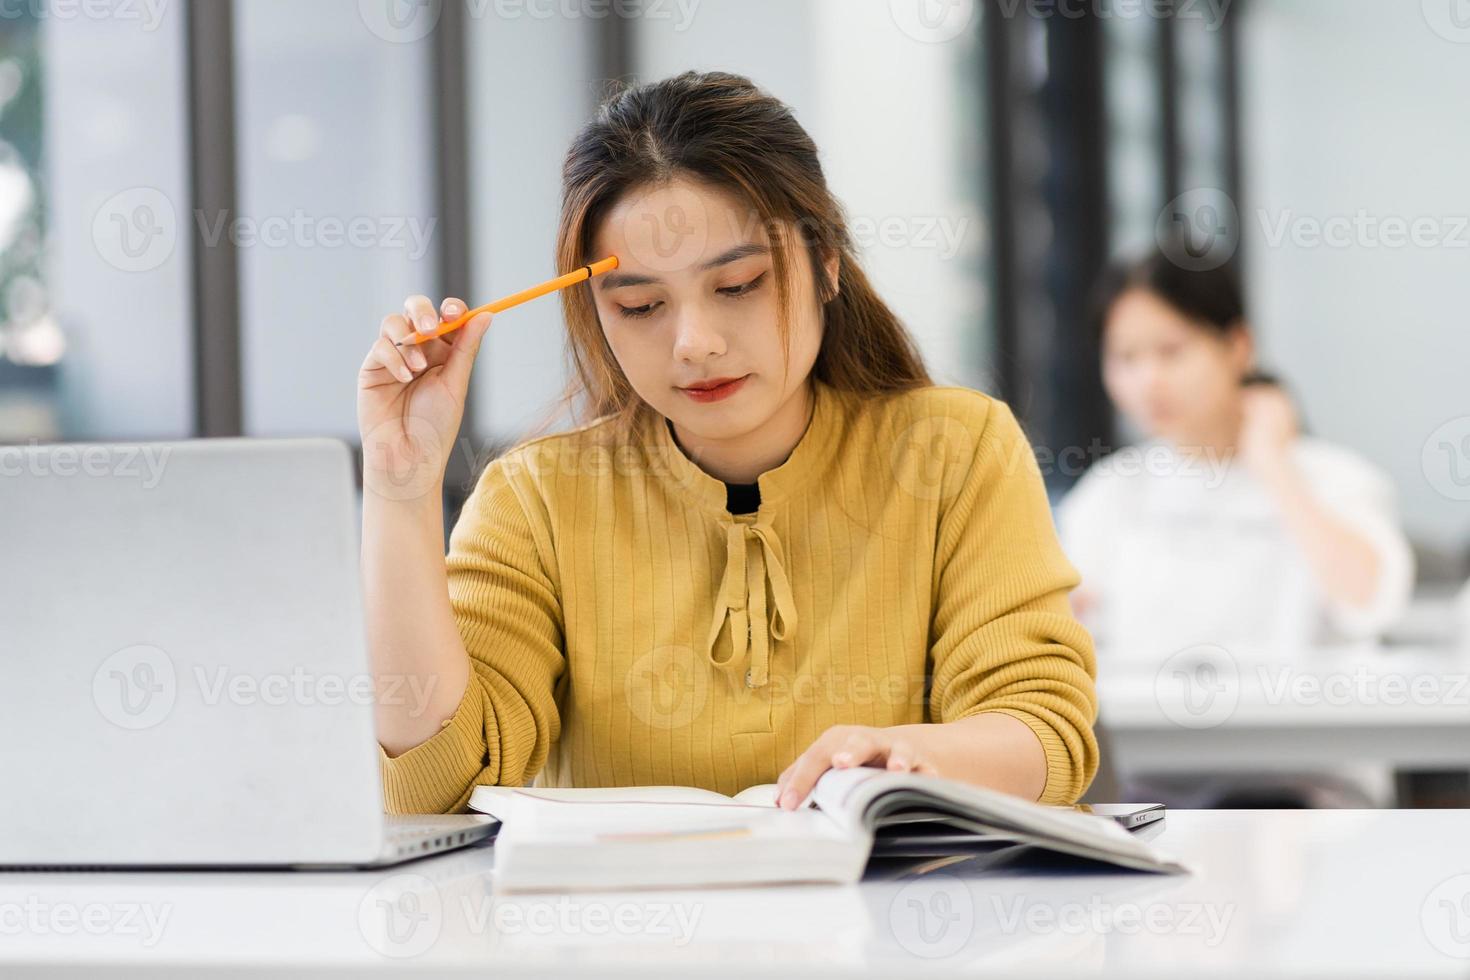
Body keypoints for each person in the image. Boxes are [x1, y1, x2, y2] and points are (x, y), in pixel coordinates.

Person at [355, 71, 1099, 815]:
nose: (694, 344)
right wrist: (401, 488)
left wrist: (913, 759)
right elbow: (436, 786)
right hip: (619, 929)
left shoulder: (956, 451)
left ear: (827, 264)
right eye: (641, 305)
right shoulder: (535, 500)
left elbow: (1043, 732)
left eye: (738, 284)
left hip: (892, 922)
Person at [1059, 249, 1414, 806]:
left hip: (1308, 789)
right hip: (1155, 792)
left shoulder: (1332, 478)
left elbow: (1370, 602)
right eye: (1124, 358)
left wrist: (1273, 463)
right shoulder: (1109, 495)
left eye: (1172, 351)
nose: (1147, 380)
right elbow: (1066, 628)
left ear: (1237, 346)